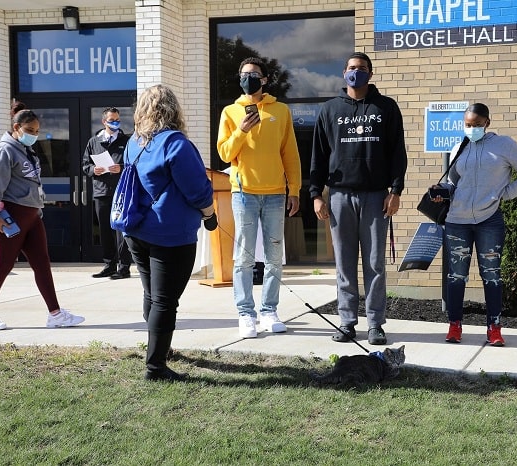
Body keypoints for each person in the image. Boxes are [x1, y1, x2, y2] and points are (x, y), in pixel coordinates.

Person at [310, 51, 408, 346]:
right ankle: (347, 322)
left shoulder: (386, 107)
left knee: (375, 263)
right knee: (344, 263)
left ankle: (376, 324)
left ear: (371, 73)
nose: (357, 72)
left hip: (376, 197)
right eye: (352, 68)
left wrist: (396, 191)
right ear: (344, 73)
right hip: (339, 196)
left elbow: (397, 153)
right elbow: (318, 156)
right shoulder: (330, 110)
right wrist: (316, 194)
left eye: (362, 68)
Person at [123, 84, 217, 380]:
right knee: (164, 300)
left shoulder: (134, 142)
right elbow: (198, 191)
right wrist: (210, 215)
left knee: (152, 294)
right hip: (170, 234)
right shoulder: (176, 143)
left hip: (136, 230)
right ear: (173, 109)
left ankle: (160, 349)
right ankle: (156, 367)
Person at [217, 57, 302, 339]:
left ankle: (269, 311)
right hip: (244, 193)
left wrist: (294, 189)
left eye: (254, 74)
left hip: (276, 193)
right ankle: (245, 313)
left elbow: (290, 154)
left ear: (264, 79)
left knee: (274, 256)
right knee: (244, 257)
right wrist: (241, 130)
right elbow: (225, 154)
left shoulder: (281, 111)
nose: (248, 78)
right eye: (244, 74)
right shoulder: (230, 112)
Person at [0, 101, 85, 331]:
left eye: (37, 131)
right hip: (10, 215)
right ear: (16, 127)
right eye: (30, 130)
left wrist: (37, 209)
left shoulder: (26, 151)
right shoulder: (4, 151)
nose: (34, 135)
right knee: (3, 264)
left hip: (32, 216)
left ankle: (55, 314)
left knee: (42, 263)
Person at [441, 103, 517, 346]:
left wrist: (507, 193)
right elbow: (453, 182)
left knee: (492, 275)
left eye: (476, 124)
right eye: (467, 124)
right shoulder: (459, 147)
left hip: (489, 220)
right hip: (457, 220)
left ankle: (494, 328)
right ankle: (454, 326)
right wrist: (442, 192)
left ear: (487, 123)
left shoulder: (503, 145)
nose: (471, 128)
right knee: (456, 276)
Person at [81, 107, 132, 280]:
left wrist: (121, 168)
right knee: (105, 230)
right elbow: (85, 165)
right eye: (112, 120)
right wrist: (93, 170)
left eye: (117, 120)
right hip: (101, 192)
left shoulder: (127, 141)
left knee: (121, 230)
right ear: (104, 122)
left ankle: (124, 267)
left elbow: (134, 163)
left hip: (121, 192)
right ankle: (109, 265)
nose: (115, 123)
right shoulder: (94, 142)